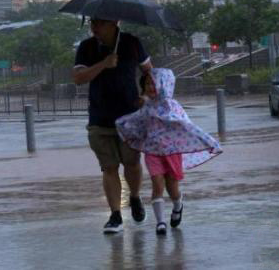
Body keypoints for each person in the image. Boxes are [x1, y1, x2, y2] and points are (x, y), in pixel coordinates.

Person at [116, 68, 222, 235]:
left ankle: (178, 204)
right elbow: (137, 123)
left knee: (172, 187)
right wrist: (123, 126)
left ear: (164, 85)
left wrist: (207, 141)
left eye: (154, 83)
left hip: (173, 152)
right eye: (148, 83)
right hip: (153, 152)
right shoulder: (146, 107)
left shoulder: (173, 106)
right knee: (157, 184)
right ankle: (160, 223)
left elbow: (187, 126)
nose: (150, 87)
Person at [73, 18, 152, 234]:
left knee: (132, 163)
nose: (94, 28)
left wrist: (145, 95)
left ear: (114, 23)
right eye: (92, 23)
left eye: (100, 23)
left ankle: (135, 197)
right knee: (109, 168)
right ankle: (115, 215)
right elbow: (78, 77)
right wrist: (103, 64)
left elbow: (148, 72)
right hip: (100, 118)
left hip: (130, 118)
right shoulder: (87, 47)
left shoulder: (132, 43)